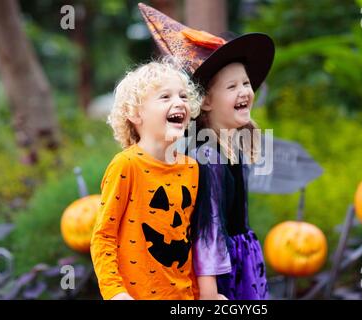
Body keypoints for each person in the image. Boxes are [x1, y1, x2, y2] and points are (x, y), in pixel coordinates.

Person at [139, 3, 275, 300]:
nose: (244, 92)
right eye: (232, 87)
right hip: (221, 273)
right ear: (207, 102)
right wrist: (210, 293)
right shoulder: (207, 156)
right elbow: (207, 228)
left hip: (241, 259)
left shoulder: (230, 145)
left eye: (246, 83)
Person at [90, 59, 202, 300]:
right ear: (135, 113)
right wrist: (115, 292)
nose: (179, 103)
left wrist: (197, 293)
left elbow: (186, 239)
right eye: (165, 97)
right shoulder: (127, 165)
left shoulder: (192, 168)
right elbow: (103, 236)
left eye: (183, 96)